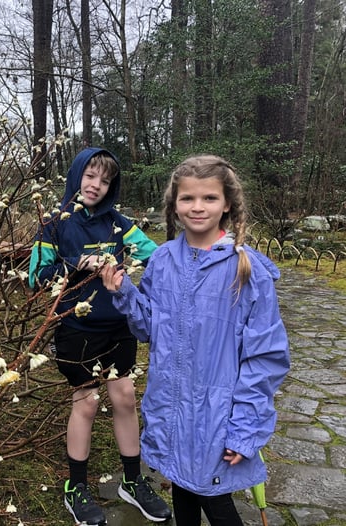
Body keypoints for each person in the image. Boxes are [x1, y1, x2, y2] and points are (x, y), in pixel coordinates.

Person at [100, 155, 290, 526]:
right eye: (187, 198)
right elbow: (149, 329)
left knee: (215, 502)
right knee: (182, 488)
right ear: (174, 205)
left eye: (209, 198)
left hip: (216, 415)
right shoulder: (163, 260)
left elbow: (265, 358)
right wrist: (125, 292)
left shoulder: (245, 270)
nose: (197, 207)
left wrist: (246, 428)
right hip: (170, 405)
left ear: (228, 204)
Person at [28, 147, 173, 524]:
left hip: (118, 325)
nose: (96, 185)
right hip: (76, 329)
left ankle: (133, 480)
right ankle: (76, 488)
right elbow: (36, 278)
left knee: (125, 396)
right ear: (77, 176)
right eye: (90, 176)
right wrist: (77, 265)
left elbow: (157, 257)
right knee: (87, 402)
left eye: (105, 180)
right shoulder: (55, 223)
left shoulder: (120, 224)